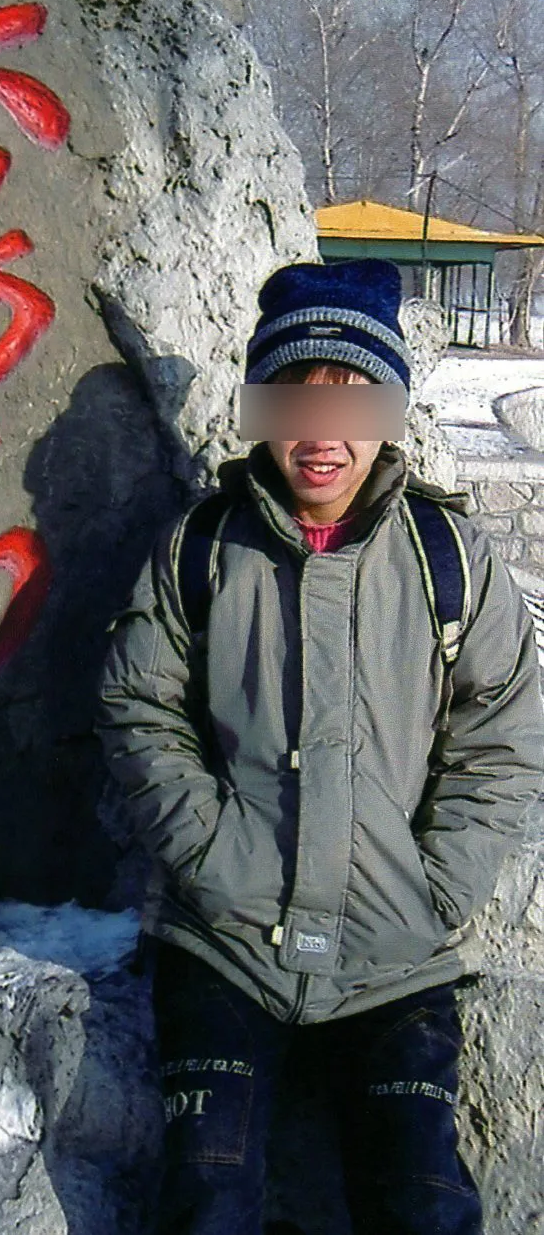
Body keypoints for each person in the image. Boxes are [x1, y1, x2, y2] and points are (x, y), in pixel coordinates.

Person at [96, 258, 544, 1235]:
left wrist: (436, 890)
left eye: (352, 398)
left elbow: (503, 734)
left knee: (423, 1202)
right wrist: (213, 856)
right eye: (294, 395)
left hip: (395, 963)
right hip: (226, 948)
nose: (321, 431)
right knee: (206, 1198)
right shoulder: (203, 549)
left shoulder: (449, 559)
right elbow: (139, 702)